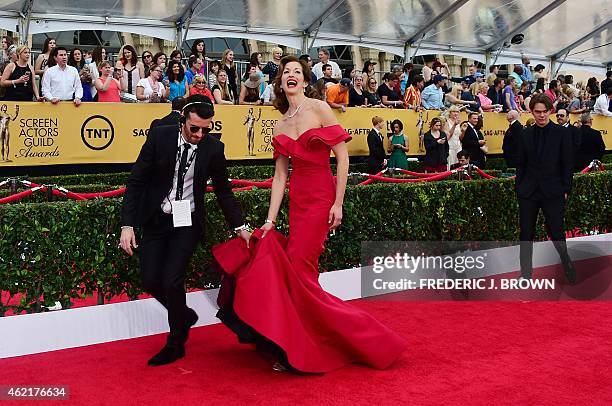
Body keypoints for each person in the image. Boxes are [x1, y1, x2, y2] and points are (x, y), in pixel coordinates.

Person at [213, 55, 406, 373]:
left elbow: (342, 159)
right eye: (285, 72)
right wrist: (270, 221)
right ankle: (298, 343)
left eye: (296, 72)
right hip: (297, 203)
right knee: (294, 274)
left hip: (320, 200)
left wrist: (338, 203)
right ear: (280, 82)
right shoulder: (280, 123)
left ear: (304, 80)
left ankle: (364, 338)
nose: (290, 75)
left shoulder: (319, 108)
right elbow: (279, 178)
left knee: (300, 273)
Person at [120, 94, 250, 366]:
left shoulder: (214, 148)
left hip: (187, 222)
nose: (200, 134)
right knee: (150, 280)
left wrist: (240, 227)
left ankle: (176, 342)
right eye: (195, 128)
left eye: (206, 129)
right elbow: (136, 182)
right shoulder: (160, 137)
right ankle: (184, 315)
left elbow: (224, 192)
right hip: (157, 218)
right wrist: (127, 225)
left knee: (171, 280)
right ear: (182, 121)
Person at [515, 94, 575, 283]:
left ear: (550, 111)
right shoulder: (524, 134)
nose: (541, 115)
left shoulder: (562, 133)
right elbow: (521, 165)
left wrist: (566, 189)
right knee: (526, 234)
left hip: (553, 191)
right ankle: (525, 275)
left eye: (544, 112)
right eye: (537, 112)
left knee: (557, 232)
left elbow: (568, 163)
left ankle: (568, 267)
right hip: (528, 192)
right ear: (531, 112)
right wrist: (520, 188)